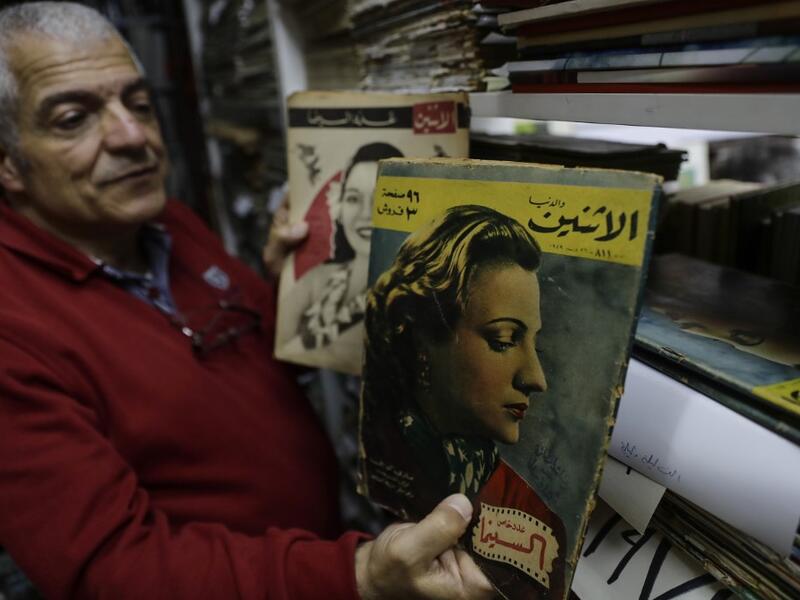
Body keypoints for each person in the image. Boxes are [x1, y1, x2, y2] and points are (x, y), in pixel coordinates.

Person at [0, 3, 494, 599]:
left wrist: (290, 295)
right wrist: (357, 573)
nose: (133, 136)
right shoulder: (14, 328)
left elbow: (240, 374)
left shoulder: (165, 224)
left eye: (136, 102)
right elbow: (111, 569)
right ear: (9, 163)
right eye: (74, 117)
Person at [362, 205, 567, 600]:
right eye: (504, 339)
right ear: (421, 338)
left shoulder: (538, 522)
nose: (536, 379)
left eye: (533, 342)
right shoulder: (377, 450)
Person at [282, 142, 403, 355]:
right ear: (340, 207)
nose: (366, 213)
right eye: (354, 198)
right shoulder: (314, 281)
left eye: (382, 197)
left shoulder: (421, 293)